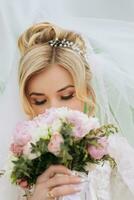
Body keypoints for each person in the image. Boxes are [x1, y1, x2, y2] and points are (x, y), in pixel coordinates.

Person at [0, 21, 134, 200]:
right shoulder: (18, 165)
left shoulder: (116, 154)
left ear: (87, 92)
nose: (55, 110)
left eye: (67, 96)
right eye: (40, 101)